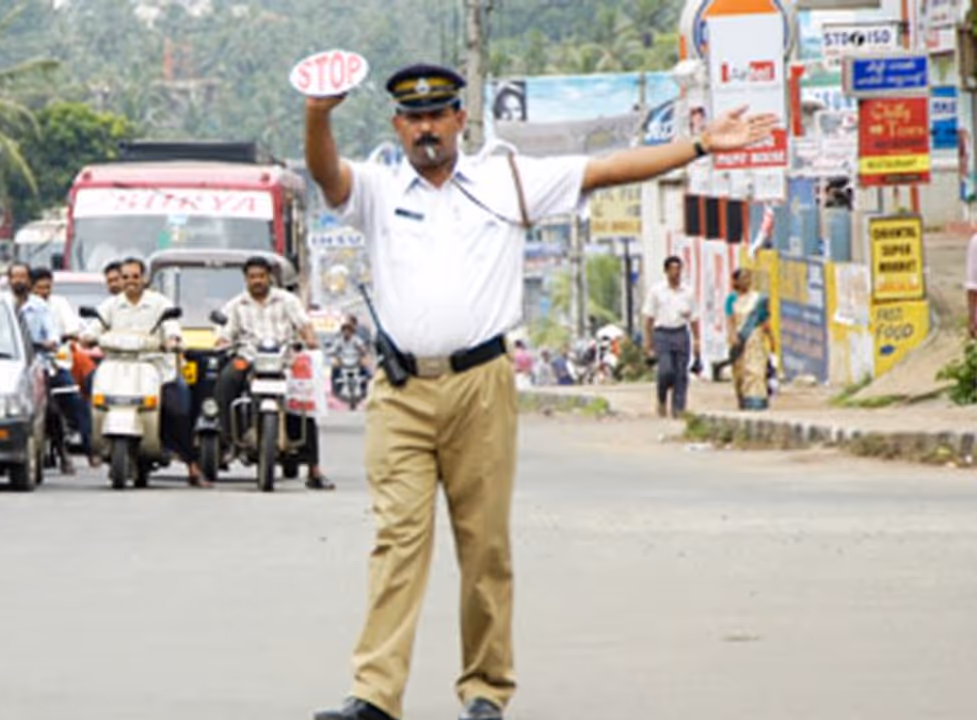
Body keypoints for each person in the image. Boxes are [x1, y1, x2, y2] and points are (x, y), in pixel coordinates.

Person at [305, 62, 777, 720]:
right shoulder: (380, 189)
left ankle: (485, 691)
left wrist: (699, 145)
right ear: (397, 127)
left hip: (481, 385)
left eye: (438, 114)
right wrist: (318, 114)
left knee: (485, 545)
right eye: (413, 118)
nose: (426, 128)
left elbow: (608, 169)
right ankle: (376, 696)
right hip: (403, 390)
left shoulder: (508, 180)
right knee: (397, 542)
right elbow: (328, 176)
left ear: (460, 120)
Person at [81, 257, 209, 488]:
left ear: (145, 278)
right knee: (90, 386)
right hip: (116, 366)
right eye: (126, 277)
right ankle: (94, 444)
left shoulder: (160, 304)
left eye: (135, 277)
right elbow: (94, 328)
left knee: (177, 407)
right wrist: (88, 338)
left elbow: (171, 328)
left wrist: (172, 341)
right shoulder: (111, 305)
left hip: (156, 368)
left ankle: (192, 465)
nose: (131, 282)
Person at [214, 256, 333, 490]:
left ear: (269, 277)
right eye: (252, 277)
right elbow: (225, 333)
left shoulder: (287, 300)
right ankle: (227, 441)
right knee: (225, 381)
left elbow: (304, 325)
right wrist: (222, 341)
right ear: (245, 279)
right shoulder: (236, 305)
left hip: (284, 360)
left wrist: (310, 341)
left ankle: (314, 469)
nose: (257, 281)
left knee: (304, 406)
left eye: (261, 276)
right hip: (248, 358)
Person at [8, 262, 81, 474]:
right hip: (10, 365)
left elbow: (52, 337)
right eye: (15, 277)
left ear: (29, 281)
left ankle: (63, 452)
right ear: (9, 280)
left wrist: (47, 343)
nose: (19, 281)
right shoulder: (3, 304)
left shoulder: (40, 307)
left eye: (23, 277)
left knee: (52, 408)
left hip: (39, 364)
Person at [30, 266, 97, 466]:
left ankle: (90, 448)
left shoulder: (59, 304)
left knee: (77, 402)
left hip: (56, 365)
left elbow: (72, 328)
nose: (44, 292)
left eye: (47, 287)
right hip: (32, 369)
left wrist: (66, 337)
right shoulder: (24, 307)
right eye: (39, 288)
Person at [643, 256, 700, 419]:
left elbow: (694, 317)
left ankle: (678, 408)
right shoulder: (657, 291)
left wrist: (696, 339)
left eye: (678, 269)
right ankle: (661, 398)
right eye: (672, 269)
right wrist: (648, 343)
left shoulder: (687, 292)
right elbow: (649, 318)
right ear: (666, 271)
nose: (676, 273)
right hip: (662, 334)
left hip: (681, 332)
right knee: (665, 371)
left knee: (681, 373)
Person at [726, 268, 772, 410]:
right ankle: (743, 399)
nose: (747, 281)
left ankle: (757, 401)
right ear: (736, 281)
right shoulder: (732, 299)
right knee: (740, 373)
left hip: (755, 339)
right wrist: (733, 336)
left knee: (756, 370)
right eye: (743, 278)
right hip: (739, 339)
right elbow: (730, 319)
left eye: (749, 277)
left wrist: (771, 338)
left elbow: (764, 320)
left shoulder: (758, 299)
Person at [327, 317, 371, 400]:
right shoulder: (339, 339)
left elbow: (363, 346)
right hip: (343, 359)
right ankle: (335, 388)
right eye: (345, 329)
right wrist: (330, 352)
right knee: (335, 367)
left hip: (355, 359)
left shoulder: (357, 338)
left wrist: (364, 351)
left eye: (349, 329)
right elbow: (333, 348)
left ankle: (364, 388)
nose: (347, 332)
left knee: (364, 370)